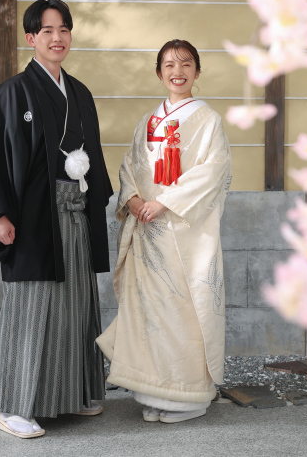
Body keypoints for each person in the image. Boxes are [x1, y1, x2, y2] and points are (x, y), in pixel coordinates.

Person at [0, 0, 113, 438]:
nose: (57, 38)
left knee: (74, 305)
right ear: (31, 38)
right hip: (32, 217)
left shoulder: (80, 93)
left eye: (64, 29)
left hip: (74, 213)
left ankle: (72, 395)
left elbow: (95, 159)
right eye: (46, 31)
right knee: (31, 307)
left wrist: (94, 203)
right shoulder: (15, 91)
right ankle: (14, 405)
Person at [96, 39, 232, 424]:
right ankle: (154, 393)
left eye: (186, 64)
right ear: (159, 73)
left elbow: (213, 170)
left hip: (185, 233)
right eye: (169, 64)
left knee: (183, 310)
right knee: (150, 312)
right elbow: (130, 166)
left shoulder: (208, 120)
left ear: (197, 72)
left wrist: (165, 202)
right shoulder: (148, 121)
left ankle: (187, 397)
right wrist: (135, 199)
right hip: (148, 232)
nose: (178, 71)